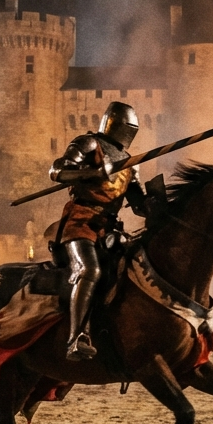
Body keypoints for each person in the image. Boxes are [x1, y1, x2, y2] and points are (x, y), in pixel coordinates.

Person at [48, 101, 148, 361]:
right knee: (89, 270)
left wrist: (155, 203)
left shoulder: (130, 164)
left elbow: (139, 205)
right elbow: (57, 171)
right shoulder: (89, 143)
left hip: (109, 229)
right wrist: (91, 173)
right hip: (80, 222)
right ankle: (76, 338)